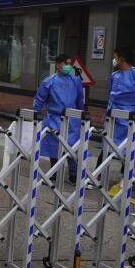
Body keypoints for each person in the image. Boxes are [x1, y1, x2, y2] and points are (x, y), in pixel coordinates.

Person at [33, 54, 86, 185]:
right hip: (54, 118)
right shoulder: (48, 81)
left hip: (73, 119)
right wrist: (35, 114)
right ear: (57, 65)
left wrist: (82, 114)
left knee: (73, 146)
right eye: (66, 63)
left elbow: (80, 99)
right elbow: (39, 100)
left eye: (70, 63)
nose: (69, 66)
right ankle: (54, 173)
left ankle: (74, 175)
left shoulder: (76, 81)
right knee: (54, 147)